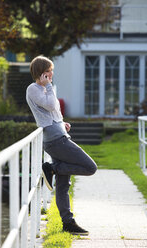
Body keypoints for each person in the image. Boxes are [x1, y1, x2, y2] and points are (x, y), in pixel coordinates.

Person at [26, 55, 97, 235]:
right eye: (49, 71)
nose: (52, 73)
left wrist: (61, 123)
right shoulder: (34, 89)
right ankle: (52, 168)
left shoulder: (43, 89)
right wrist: (48, 86)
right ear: (42, 73)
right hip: (57, 141)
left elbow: (53, 112)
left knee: (63, 185)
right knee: (90, 167)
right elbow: (50, 105)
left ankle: (68, 223)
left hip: (58, 135)